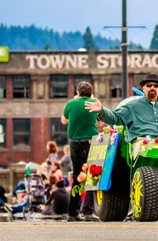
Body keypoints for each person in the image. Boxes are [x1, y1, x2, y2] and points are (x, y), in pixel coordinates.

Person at [85, 73, 158, 143]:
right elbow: (115, 117)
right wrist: (102, 110)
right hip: (140, 144)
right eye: (149, 85)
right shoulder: (133, 106)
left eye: (156, 86)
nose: (152, 87)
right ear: (143, 88)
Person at [61, 81, 98, 221]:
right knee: (92, 175)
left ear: (78, 92)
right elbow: (100, 123)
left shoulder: (71, 103)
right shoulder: (93, 102)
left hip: (74, 144)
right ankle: (88, 211)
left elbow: (63, 121)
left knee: (78, 177)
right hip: (90, 143)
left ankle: (73, 213)